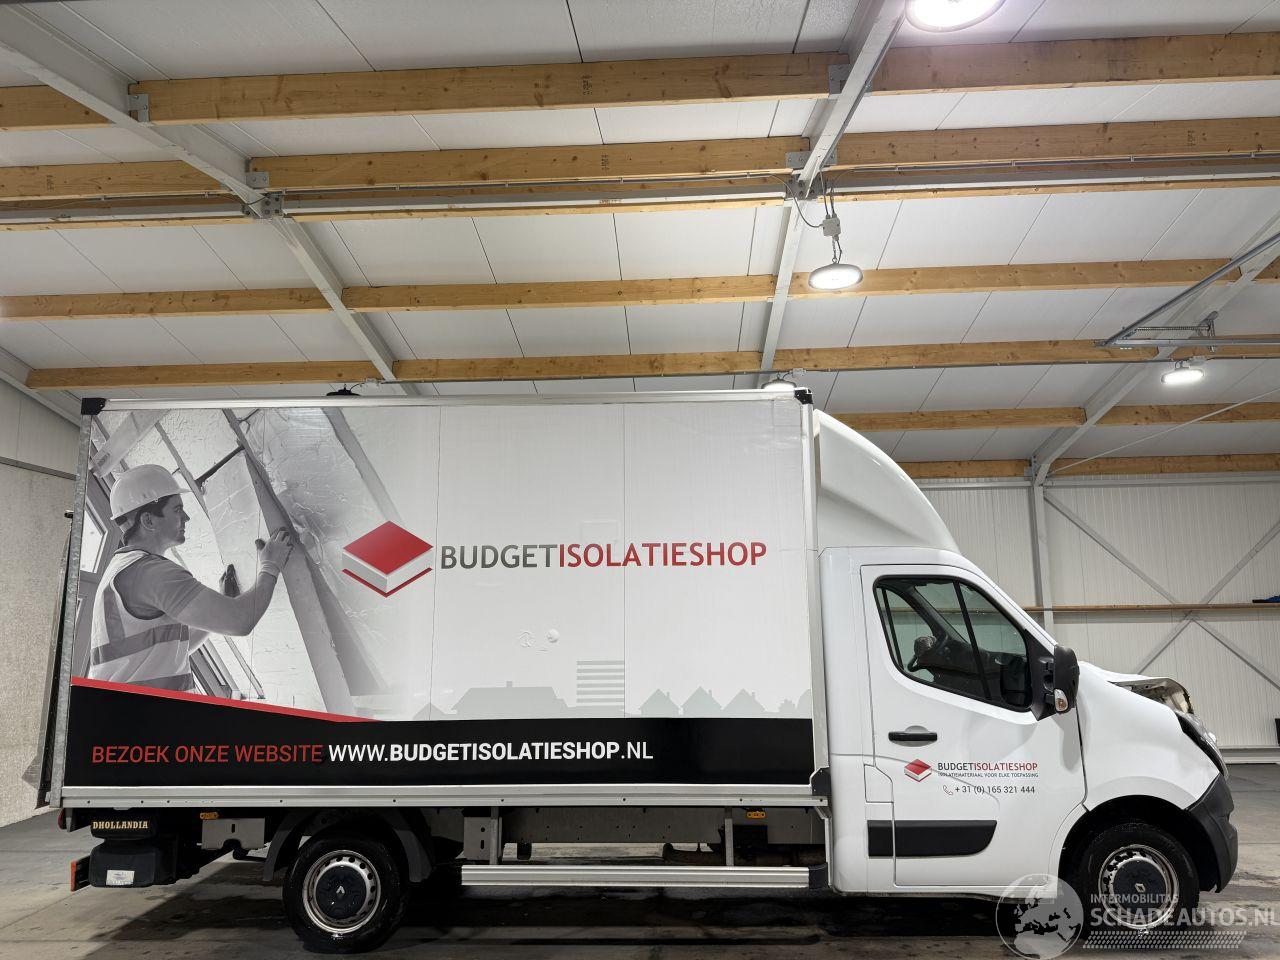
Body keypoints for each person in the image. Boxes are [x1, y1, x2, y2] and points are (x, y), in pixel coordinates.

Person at [88, 464, 294, 692]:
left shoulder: (121, 569)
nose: (186, 517)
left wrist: (219, 608)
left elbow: (174, 650)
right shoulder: (151, 572)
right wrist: (271, 565)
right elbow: (240, 621)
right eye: (177, 509)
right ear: (148, 521)